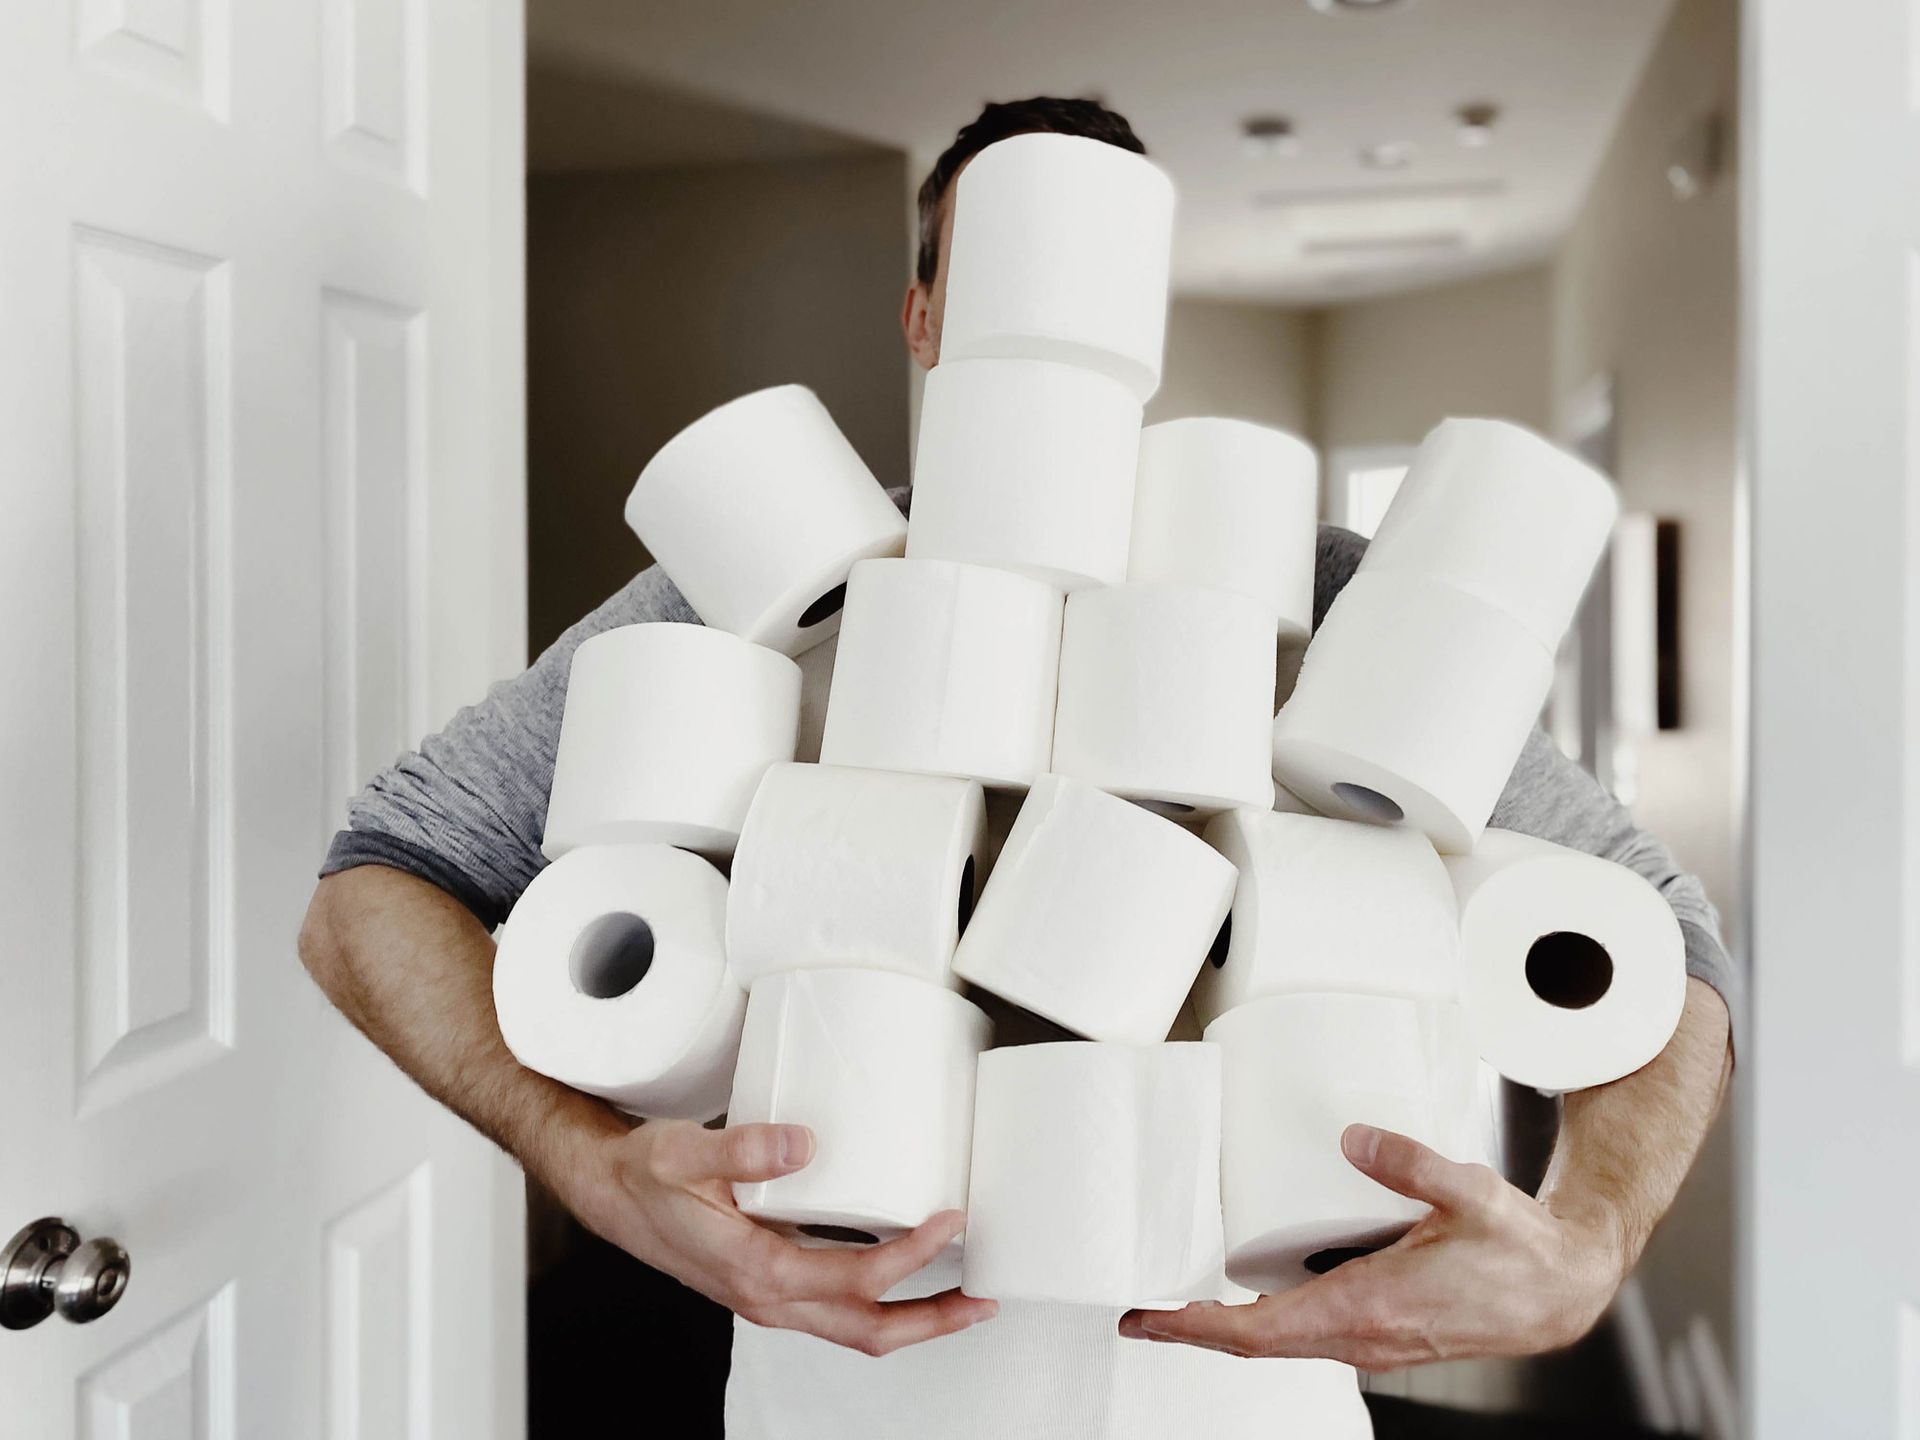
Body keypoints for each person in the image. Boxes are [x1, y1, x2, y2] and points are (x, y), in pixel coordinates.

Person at [301, 97, 1735, 1439]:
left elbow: (1656, 942)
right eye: (1010, 262)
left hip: (1230, 1369)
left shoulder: (1338, 604)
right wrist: (593, 1171)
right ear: (925, 314)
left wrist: (1587, 1240)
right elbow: (372, 885)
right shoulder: (762, 577)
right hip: (863, 1362)